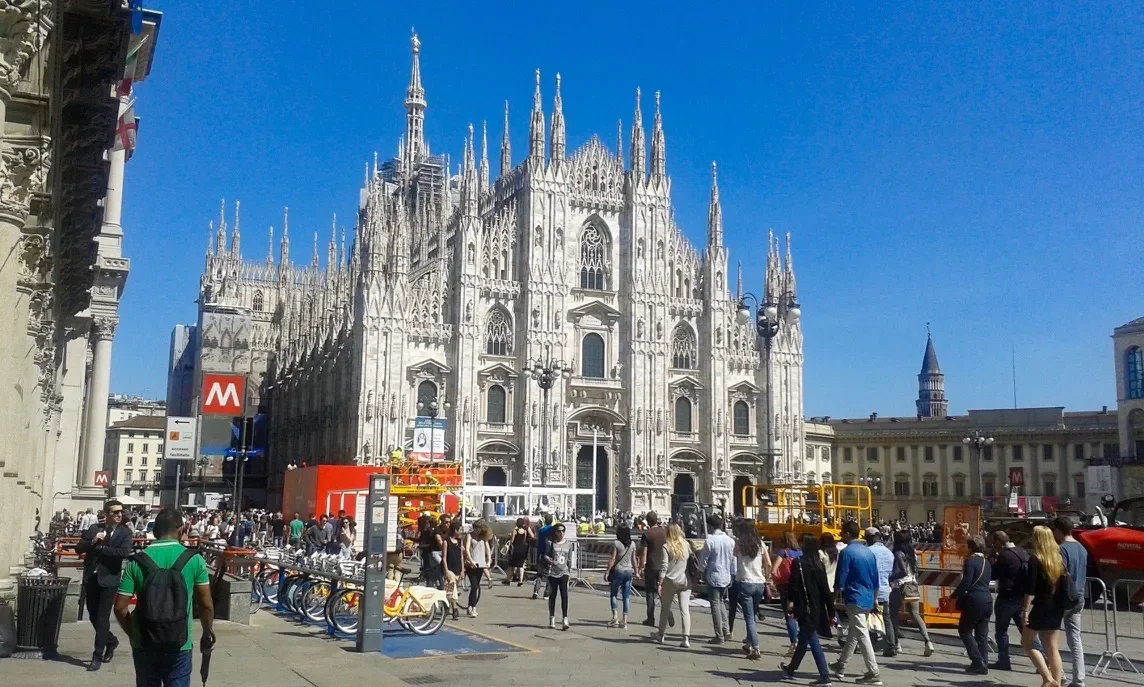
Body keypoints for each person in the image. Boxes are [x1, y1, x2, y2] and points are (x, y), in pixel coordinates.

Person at [114, 508, 214, 687]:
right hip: (180, 643)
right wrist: (207, 632)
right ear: (181, 530)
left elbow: (120, 607)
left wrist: (134, 633)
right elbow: (206, 605)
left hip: (144, 642)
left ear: (154, 532)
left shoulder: (136, 561)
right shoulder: (195, 560)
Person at [76, 499, 135, 671]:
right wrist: (92, 542)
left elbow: (123, 553)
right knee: (94, 616)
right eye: (115, 512)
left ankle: (97, 656)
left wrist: (101, 549)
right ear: (106, 514)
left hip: (109, 579)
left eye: (121, 512)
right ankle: (111, 641)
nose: (119, 515)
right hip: (91, 578)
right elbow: (79, 548)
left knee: (102, 618)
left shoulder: (124, 533)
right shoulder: (95, 529)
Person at [830, 520, 882, 686]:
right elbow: (876, 578)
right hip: (867, 597)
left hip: (854, 596)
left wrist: (834, 597)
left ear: (847, 534)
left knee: (861, 634)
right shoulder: (868, 552)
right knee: (854, 632)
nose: (841, 536)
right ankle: (841, 665)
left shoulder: (847, 553)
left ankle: (873, 671)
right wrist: (875, 598)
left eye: (842, 533)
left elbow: (840, 578)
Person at [782, 535, 834, 685]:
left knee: (812, 641)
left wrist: (790, 603)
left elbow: (793, 585)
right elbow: (825, 590)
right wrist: (831, 612)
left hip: (804, 608)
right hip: (817, 608)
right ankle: (791, 669)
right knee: (805, 640)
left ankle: (825, 676)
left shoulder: (798, 563)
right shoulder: (819, 564)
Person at [1023, 525, 1068, 687]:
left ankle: (1048, 679)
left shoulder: (1035, 559)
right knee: (1052, 647)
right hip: (1057, 606)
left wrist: (1025, 610)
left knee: (1026, 642)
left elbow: (1031, 589)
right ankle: (1056, 683)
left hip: (1041, 606)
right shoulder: (1058, 557)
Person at [1053, 516, 1088, 687]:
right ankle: (1079, 679)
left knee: (1050, 636)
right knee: (1075, 639)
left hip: (1063, 597)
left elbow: (1060, 574)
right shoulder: (1082, 548)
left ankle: (1060, 674)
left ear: (1058, 531)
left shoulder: (1062, 549)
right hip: (1079, 596)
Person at [888, 530, 935, 656]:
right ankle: (928, 642)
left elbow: (902, 571)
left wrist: (890, 578)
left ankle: (896, 643)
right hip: (912, 585)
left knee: (892, 614)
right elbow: (915, 569)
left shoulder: (898, 553)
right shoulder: (912, 552)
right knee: (915, 614)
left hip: (899, 586)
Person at [991, 530, 1032, 671]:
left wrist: (993, 558)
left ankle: (1004, 661)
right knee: (1026, 631)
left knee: (1001, 631)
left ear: (998, 542)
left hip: (1006, 598)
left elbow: (993, 574)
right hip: (1021, 598)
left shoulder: (1004, 555)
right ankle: (1043, 656)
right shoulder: (1023, 552)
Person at [953, 534, 993, 674]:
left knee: (964, 630)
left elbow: (966, 582)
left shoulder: (970, 561)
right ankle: (984, 664)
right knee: (981, 634)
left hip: (974, 600)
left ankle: (977, 660)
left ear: (971, 547)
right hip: (988, 599)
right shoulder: (987, 562)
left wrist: (954, 595)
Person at [655, 523, 694, 648]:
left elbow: (664, 566)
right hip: (684, 581)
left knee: (665, 608)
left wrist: (660, 582)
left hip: (670, 581)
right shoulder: (686, 545)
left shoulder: (666, 547)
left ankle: (661, 634)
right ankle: (685, 638)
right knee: (685, 610)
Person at [699, 513, 735, 643]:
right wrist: (732, 574)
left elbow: (703, 561)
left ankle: (719, 635)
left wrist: (699, 574)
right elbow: (733, 560)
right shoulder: (730, 541)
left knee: (714, 604)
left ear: (709, 526)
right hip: (726, 575)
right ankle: (726, 631)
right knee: (721, 602)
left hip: (714, 575)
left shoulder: (710, 541)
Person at [735, 521, 768, 659]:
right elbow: (769, 563)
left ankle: (755, 648)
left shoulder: (739, 543)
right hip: (759, 583)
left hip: (745, 582)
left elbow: (735, 556)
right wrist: (767, 576)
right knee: (753, 614)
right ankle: (749, 643)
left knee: (749, 618)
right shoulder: (761, 544)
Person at [864, 527, 895, 656]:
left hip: (871, 591)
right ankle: (891, 645)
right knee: (887, 619)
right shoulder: (889, 553)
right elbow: (891, 573)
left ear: (870, 538)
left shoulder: (868, 552)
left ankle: (872, 643)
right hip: (885, 590)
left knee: (869, 617)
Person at [773, 530, 803, 658]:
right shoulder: (800, 553)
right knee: (798, 613)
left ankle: (794, 643)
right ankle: (801, 641)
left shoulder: (782, 553)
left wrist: (774, 581)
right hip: (799, 585)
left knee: (789, 615)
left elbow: (774, 570)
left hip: (785, 586)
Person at [637, 511, 667, 627]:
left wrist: (640, 567)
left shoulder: (647, 534)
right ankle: (666, 612)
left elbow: (644, 552)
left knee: (650, 593)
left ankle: (650, 618)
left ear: (648, 521)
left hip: (651, 566)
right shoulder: (664, 532)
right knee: (662, 592)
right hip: (663, 566)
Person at [606, 523, 637, 628]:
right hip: (629, 571)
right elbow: (634, 560)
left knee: (614, 594)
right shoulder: (632, 544)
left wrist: (607, 571)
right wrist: (636, 571)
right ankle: (625, 620)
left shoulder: (616, 543)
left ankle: (615, 617)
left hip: (618, 571)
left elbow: (613, 558)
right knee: (626, 596)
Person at [544, 523, 573, 630]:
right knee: (553, 595)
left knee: (564, 595)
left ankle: (565, 618)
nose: (561, 533)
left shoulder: (568, 544)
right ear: (555, 532)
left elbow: (569, 559)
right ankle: (552, 617)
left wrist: (569, 572)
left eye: (563, 531)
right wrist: (549, 559)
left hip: (564, 572)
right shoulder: (551, 543)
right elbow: (546, 555)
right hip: (553, 572)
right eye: (559, 531)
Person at [463, 522, 492, 617]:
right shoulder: (469, 536)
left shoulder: (483, 536)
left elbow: (488, 549)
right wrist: (471, 561)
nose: (477, 530)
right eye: (476, 528)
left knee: (475, 587)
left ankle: (470, 607)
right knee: (474, 586)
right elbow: (467, 549)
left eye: (479, 529)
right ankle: (473, 608)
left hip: (481, 563)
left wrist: (489, 560)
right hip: (471, 564)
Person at [442, 520, 464, 620]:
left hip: (458, 569)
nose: (461, 531)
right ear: (455, 530)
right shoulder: (446, 541)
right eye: (460, 529)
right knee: (453, 590)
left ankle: (446, 607)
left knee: (451, 592)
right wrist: (446, 570)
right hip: (450, 569)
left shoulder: (460, 541)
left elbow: (461, 557)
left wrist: (463, 570)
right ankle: (455, 610)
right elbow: (444, 557)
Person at [504, 517, 533, 586]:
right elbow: (524, 539)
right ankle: (520, 581)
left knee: (511, 565)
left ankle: (508, 580)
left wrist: (510, 537)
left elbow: (512, 540)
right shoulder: (525, 531)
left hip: (515, 549)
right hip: (523, 549)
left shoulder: (515, 530)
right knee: (521, 566)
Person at [532, 513, 555, 600]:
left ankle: (536, 591)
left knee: (540, 574)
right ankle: (546, 593)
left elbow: (538, 540)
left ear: (545, 520)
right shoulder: (552, 530)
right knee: (550, 574)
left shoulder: (541, 530)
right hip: (550, 554)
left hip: (541, 553)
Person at [417, 515, 444, 589]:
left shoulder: (430, 531)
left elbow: (431, 544)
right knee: (431, 569)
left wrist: (421, 546)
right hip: (427, 552)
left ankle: (434, 584)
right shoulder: (426, 531)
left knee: (432, 569)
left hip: (429, 552)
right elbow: (421, 541)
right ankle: (435, 583)